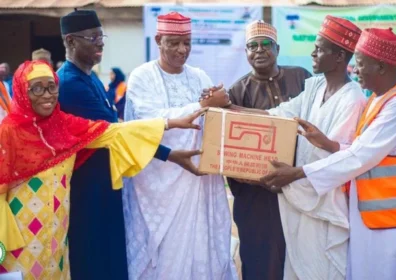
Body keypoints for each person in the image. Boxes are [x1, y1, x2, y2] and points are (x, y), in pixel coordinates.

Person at [0, 60, 206, 278]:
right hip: (19, 236)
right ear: (23, 92)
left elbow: (114, 132)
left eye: (52, 86)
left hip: (56, 234)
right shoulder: (8, 132)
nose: (47, 94)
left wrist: (170, 123)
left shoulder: (62, 125)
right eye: (37, 88)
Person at [260, 28, 396, 280]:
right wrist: (330, 144)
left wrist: (296, 174)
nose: (354, 70)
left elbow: (360, 156)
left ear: (380, 67)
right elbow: (364, 152)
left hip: (395, 224)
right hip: (369, 217)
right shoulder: (379, 99)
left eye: (360, 64)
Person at [216, 17, 365, 280]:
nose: (312, 53)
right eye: (253, 46)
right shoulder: (315, 86)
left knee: (322, 266)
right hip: (280, 195)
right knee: (276, 263)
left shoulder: (347, 97)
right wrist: (226, 107)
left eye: (318, 49)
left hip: (320, 198)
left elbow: (340, 159)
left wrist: (291, 179)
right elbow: (278, 114)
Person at [56, 9, 193, 280]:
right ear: (71, 41)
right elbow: (115, 132)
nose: (101, 42)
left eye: (101, 36)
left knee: (110, 256)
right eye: (92, 37)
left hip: (105, 182)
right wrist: (171, 152)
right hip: (86, 187)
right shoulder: (70, 83)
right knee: (93, 257)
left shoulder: (89, 76)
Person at [123, 12, 236, 279]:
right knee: (163, 254)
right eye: (173, 42)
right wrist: (203, 106)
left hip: (199, 182)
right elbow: (147, 123)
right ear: (158, 40)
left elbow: (215, 121)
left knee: (201, 248)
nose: (182, 49)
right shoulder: (142, 76)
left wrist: (221, 102)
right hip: (157, 186)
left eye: (186, 42)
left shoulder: (199, 76)